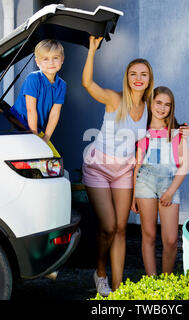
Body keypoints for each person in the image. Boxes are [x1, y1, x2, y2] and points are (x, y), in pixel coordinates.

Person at [81, 36, 154, 296]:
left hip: (123, 171)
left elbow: (162, 127)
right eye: (133, 73)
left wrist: (182, 130)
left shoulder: (148, 108)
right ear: (127, 77)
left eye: (143, 74)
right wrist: (91, 50)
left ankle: (118, 286)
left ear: (148, 79)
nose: (138, 78)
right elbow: (87, 83)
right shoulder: (115, 99)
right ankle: (100, 272)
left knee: (121, 228)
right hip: (98, 168)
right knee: (109, 226)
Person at [132, 86, 189, 276]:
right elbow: (138, 165)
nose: (162, 108)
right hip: (144, 183)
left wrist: (170, 192)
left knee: (171, 239)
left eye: (167, 104)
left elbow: (184, 167)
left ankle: (166, 282)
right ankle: (152, 281)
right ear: (151, 103)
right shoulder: (142, 131)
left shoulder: (178, 132)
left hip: (169, 184)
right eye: (158, 103)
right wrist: (133, 196)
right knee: (148, 235)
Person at [10, 39, 66, 156]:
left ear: (62, 60)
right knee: (31, 156)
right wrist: (35, 139)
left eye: (55, 58)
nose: (51, 63)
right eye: (45, 59)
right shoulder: (33, 78)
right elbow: (31, 110)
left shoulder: (61, 85)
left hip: (36, 128)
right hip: (17, 124)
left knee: (54, 157)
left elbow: (54, 114)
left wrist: (45, 139)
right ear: (37, 62)